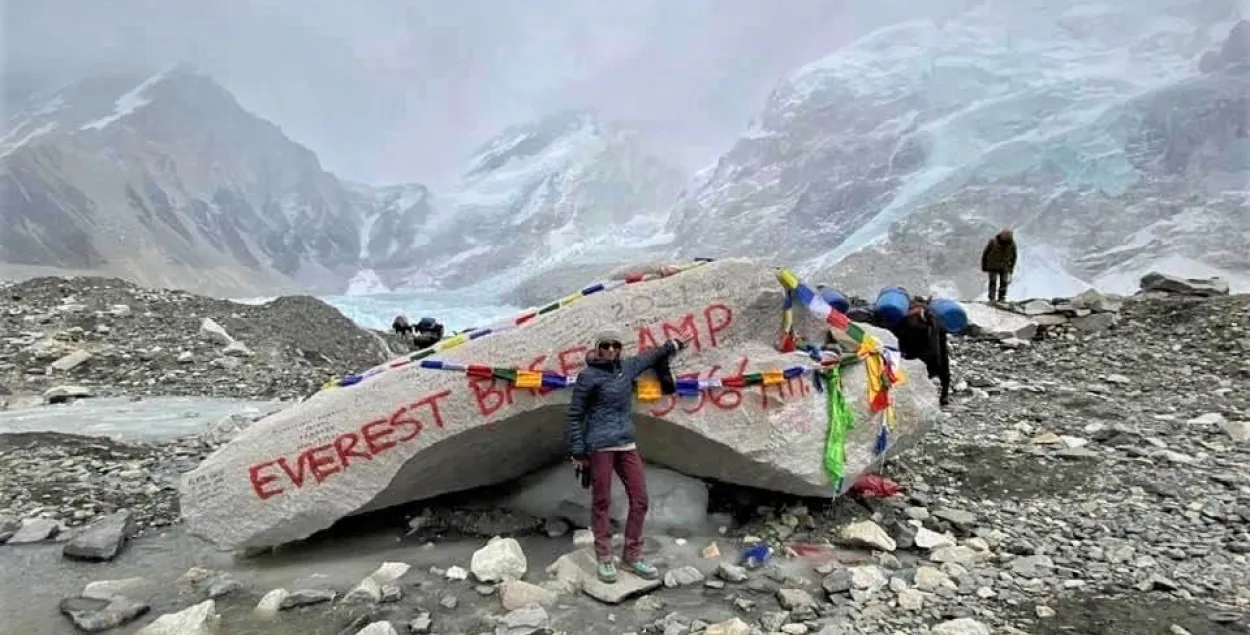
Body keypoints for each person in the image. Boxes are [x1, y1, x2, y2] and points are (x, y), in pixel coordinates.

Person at [565, 330, 686, 583]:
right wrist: (577, 450)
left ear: (620, 348)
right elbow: (575, 415)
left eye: (615, 346)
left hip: (626, 443)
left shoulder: (627, 368)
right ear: (598, 349)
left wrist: (674, 344)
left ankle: (632, 555)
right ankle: (605, 556)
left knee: (640, 499)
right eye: (605, 346)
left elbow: (651, 355)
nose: (610, 350)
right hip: (599, 445)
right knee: (602, 501)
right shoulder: (588, 376)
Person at [981, 228, 1017, 302]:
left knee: (1004, 282)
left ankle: (1001, 298)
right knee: (993, 282)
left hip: (1004, 266)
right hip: (993, 265)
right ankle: (992, 298)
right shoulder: (993, 242)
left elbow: (1014, 257)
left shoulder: (1012, 244)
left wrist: (1011, 269)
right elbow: (985, 254)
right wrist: (984, 266)